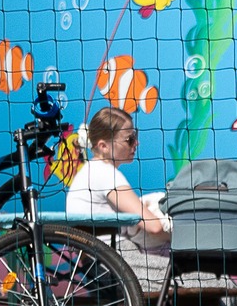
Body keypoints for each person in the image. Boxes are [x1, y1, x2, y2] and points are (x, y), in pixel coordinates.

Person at [67, 106, 171, 285]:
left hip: (96, 265)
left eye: (135, 136)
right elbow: (154, 226)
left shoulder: (90, 171)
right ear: (103, 146)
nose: (136, 143)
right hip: (116, 264)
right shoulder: (106, 174)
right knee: (208, 276)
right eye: (129, 139)